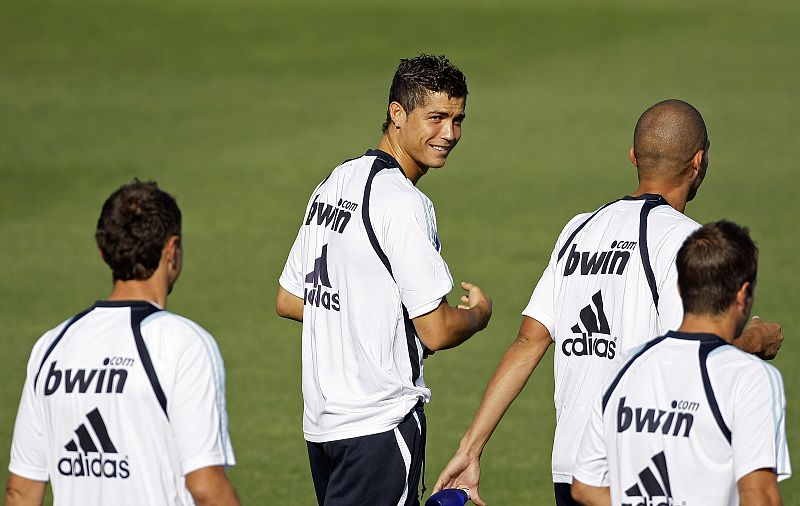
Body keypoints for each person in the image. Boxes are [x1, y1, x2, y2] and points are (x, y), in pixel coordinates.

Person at [433, 99, 784, 506]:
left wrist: (471, 448)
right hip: (645, 473)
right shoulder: (689, 244)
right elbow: (697, 359)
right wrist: (757, 339)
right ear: (699, 162)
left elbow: (529, 341)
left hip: (573, 469)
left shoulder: (578, 229)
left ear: (634, 156)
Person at [276, 54, 492, 506]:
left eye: (458, 120)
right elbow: (434, 328)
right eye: (436, 118)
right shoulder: (403, 202)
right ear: (397, 113)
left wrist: (365, 307)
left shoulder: (334, 183)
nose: (450, 134)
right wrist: (476, 316)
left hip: (323, 427)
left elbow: (292, 298)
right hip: (379, 422)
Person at [5, 181, 239, 506]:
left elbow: (20, 493)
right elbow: (205, 488)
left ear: (104, 252)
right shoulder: (183, 343)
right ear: (171, 250)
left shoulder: (51, 346)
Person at [572, 220, 791, 505]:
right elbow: (760, 496)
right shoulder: (751, 377)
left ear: (679, 287)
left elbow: (584, 487)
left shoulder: (626, 365)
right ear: (742, 294)